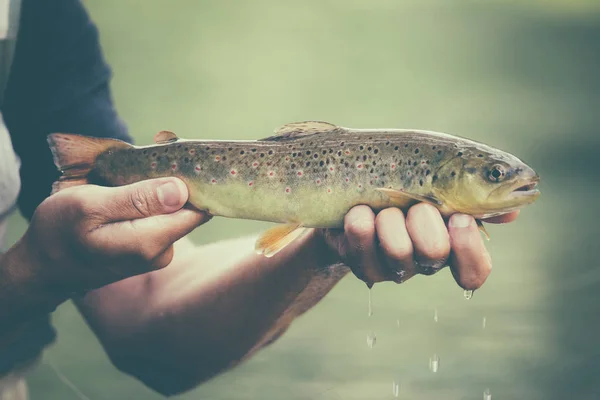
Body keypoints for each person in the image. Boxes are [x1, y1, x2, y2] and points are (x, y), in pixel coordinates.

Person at [0, 0, 518, 399]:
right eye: (494, 175)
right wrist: (31, 273)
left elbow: (148, 318)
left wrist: (325, 248)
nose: (508, 181)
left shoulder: (42, 18)